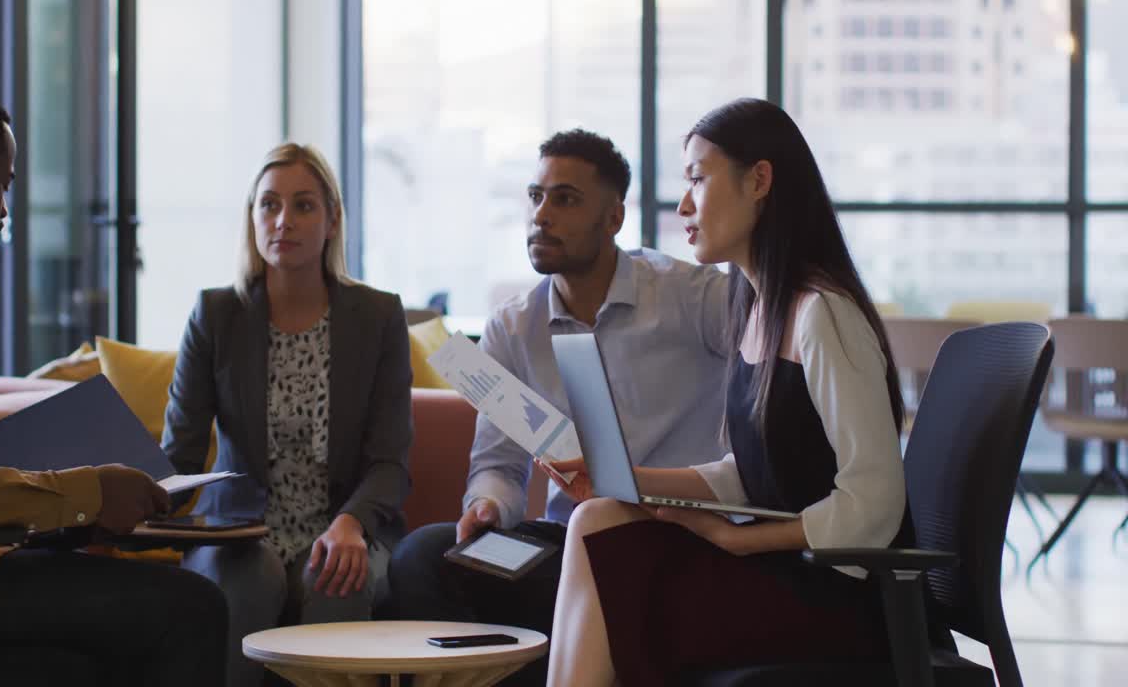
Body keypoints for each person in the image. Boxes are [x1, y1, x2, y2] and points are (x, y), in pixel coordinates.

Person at [540, 98, 911, 687]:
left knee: (623, 576)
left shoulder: (824, 316)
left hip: (836, 595)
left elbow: (875, 503)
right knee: (595, 515)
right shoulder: (758, 310)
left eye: (697, 178)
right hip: (786, 571)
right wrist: (625, 477)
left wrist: (739, 542)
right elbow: (753, 472)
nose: (684, 205)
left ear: (759, 180)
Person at [0, 78, 228, 685]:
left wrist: (68, 511)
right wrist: (89, 490)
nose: (6, 210)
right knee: (192, 608)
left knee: (80, 662)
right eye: (4, 184)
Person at [385, 128, 729, 686]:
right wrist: (488, 508)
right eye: (536, 197)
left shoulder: (692, 298)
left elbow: (770, 360)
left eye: (565, 200)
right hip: (564, 548)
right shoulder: (512, 326)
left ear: (614, 217)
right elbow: (497, 465)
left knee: (593, 586)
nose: (541, 215)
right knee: (423, 556)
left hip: (676, 542)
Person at [163, 142, 413, 687]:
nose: (284, 221)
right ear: (252, 219)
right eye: (269, 205)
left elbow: (390, 462)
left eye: (303, 206)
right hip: (240, 533)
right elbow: (179, 455)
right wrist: (122, 493)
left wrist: (351, 523)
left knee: (338, 577)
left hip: (344, 528)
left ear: (332, 220)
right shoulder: (216, 314)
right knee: (248, 578)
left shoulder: (378, 316)